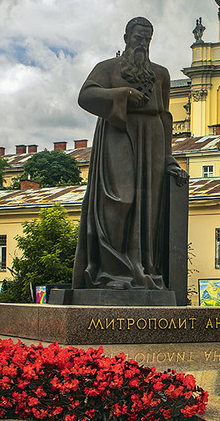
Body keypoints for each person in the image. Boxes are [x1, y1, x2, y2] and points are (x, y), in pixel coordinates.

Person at [73, 17, 189, 293]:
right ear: (126, 37)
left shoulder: (160, 73)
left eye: (147, 38)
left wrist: (168, 158)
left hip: (153, 138)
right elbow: (85, 96)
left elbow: (166, 115)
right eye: (138, 37)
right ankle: (110, 271)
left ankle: (141, 268)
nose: (142, 43)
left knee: (148, 207)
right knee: (119, 199)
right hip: (118, 132)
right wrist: (122, 93)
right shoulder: (108, 68)